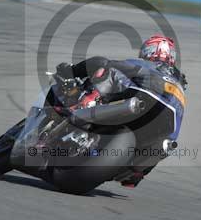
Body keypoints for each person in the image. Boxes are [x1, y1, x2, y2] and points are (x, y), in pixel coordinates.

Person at [55, 35, 188, 188]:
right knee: (165, 145)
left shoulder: (145, 64)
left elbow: (108, 64)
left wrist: (72, 72)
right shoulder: (179, 86)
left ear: (149, 51)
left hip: (143, 101)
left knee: (108, 68)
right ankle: (137, 172)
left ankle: (84, 103)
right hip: (167, 125)